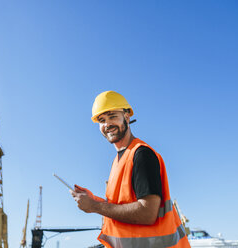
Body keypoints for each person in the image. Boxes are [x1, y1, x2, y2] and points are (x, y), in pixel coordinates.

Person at [71, 91, 190, 248]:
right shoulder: (118, 160)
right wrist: (94, 200)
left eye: (112, 116)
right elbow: (122, 205)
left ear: (126, 117)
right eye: (102, 120)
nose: (107, 124)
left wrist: (94, 206)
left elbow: (147, 213)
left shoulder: (142, 154)